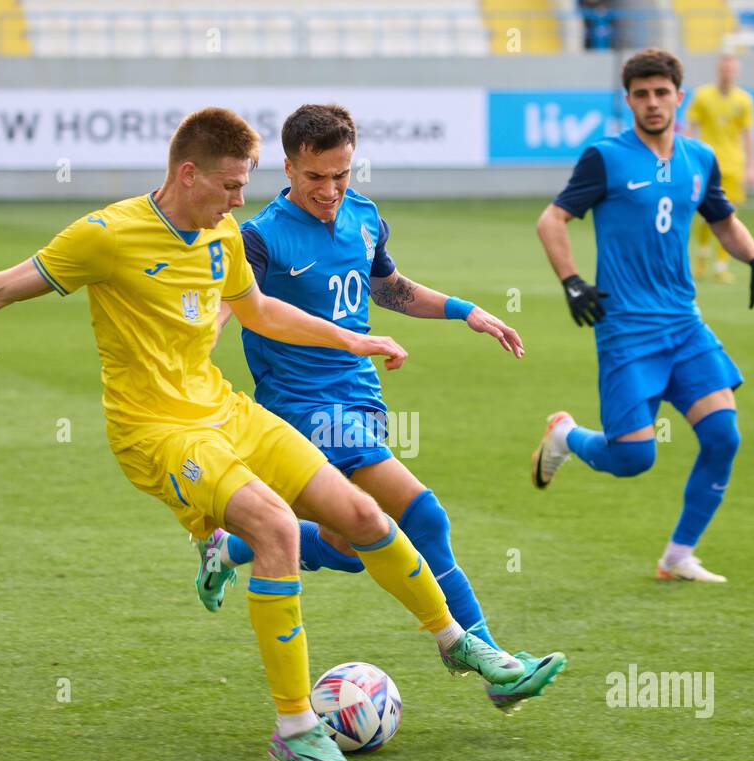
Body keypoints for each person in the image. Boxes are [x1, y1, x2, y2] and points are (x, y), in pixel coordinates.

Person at [0, 107, 524, 761]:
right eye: (229, 185)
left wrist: (352, 336)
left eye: (244, 184)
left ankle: (455, 642)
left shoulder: (222, 238)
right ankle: (294, 729)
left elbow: (259, 310)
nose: (239, 198)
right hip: (155, 431)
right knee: (279, 527)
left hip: (225, 410)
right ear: (188, 174)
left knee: (364, 517)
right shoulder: (106, 235)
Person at [197, 104, 567, 712]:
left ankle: (232, 545)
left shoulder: (365, 217)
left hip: (361, 398)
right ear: (288, 168)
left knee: (347, 547)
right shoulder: (259, 236)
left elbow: (388, 288)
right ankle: (488, 659)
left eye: (341, 173)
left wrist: (467, 311)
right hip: (301, 406)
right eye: (316, 177)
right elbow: (235, 304)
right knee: (424, 516)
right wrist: (197, 345)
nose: (331, 189)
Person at [532, 48, 754, 583]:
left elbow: (723, 221)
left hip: (684, 324)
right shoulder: (605, 157)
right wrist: (573, 282)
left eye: (662, 92)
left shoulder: (699, 158)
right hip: (626, 329)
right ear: (628, 100)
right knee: (633, 459)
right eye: (641, 94)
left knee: (724, 437)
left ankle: (678, 556)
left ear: (679, 96)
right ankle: (565, 435)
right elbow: (551, 221)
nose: (652, 103)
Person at [685, 54, 754, 282]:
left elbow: (748, 135)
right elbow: (690, 127)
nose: (727, 73)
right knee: (705, 217)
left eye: (731, 69)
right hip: (707, 164)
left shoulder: (744, 100)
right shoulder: (703, 96)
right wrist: (682, 157)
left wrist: (751, 166)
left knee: (729, 216)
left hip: (733, 166)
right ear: (718, 70)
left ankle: (720, 265)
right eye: (724, 68)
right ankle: (700, 260)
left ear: (736, 71)